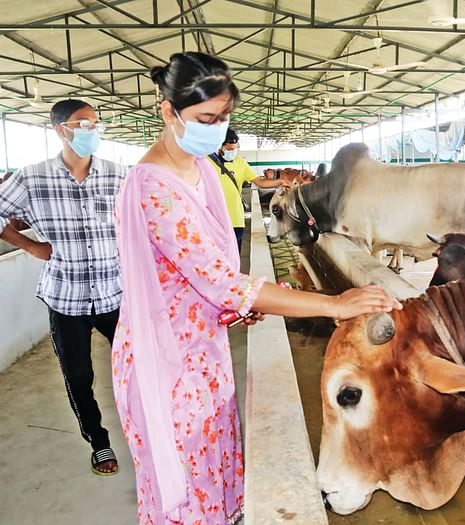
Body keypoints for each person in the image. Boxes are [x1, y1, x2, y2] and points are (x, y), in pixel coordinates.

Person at [113, 52, 401, 525]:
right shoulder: (152, 187)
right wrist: (333, 303)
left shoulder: (201, 168)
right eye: (205, 118)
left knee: (218, 473)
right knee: (187, 488)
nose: (216, 128)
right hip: (167, 364)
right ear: (167, 110)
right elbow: (224, 283)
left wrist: (227, 310)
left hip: (205, 353)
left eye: (224, 118)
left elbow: (203, 280)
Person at [0, 99, 127, 476]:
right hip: (65, 297)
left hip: (115, 294)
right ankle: (99, 442)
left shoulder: (118, 175)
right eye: (83, 124)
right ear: (61, 129)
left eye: (96, 124)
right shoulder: (31, 177)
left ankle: (146, 433)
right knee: (79, 376)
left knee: (135, 368)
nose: (92, 131)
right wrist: (30, 245)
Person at [208, 128, 288, 251]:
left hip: (236, 219)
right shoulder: (206, 163)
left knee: (234, 256)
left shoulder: (241, 163)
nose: (232, 152)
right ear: (219, 146)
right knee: (215, 256)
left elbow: (260, 182)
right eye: (229, 149)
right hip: (213, 220)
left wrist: (280, 181)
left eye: (235, 149)